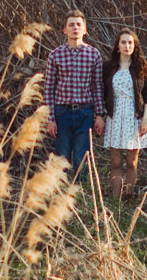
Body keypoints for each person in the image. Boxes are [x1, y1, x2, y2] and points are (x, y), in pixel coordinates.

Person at [42, 10, 107, 176]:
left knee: (82, 157)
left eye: (79, 24)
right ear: (65, 30)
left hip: (85, 112)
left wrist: (99, 115)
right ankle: (60, 190)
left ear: (85, 29)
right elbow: (49, 88)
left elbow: (97, 87)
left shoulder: (93, 54)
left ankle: (81, 191)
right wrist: (50, 119)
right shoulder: (55, 55)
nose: (75, 28)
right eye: (71, 25)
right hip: (62, 112)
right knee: (61, 157)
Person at [101, 29, 147, 200]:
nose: (127, 46)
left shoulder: (142, 66)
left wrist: (145, 119)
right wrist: (101, 115)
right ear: (118, 46)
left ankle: (129, 197)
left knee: (132, 161)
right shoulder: (108, 67)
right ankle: (115, 200)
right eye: (123, 42)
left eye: (130, 42)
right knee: (116, 161)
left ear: (135, 45)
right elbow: (102, 92)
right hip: (115, 116)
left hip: (134, 116)